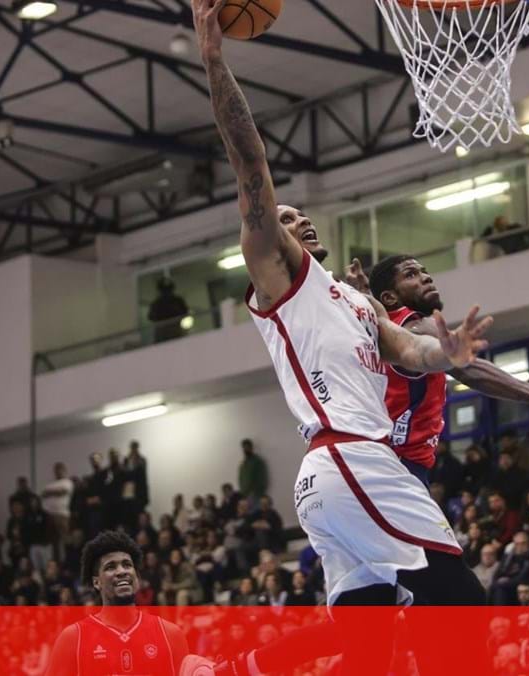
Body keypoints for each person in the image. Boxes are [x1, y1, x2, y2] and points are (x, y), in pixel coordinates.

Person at [192, 3, 492, 673]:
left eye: (297, 216)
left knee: (365, 645)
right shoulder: (283, 287)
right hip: (351, 460)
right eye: (280, 217)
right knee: (461, 604)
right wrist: (215, 62)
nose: (288, 221)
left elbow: (412, 353)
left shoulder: (353, 301)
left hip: (339, 476)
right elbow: (250, 164)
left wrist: (452, 352)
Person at [358, 254, 529, 486]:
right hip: (397, 468)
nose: (426, 278)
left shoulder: (381, 331)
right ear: (389, 297)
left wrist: (363, 297)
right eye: (411, 275)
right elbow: (466, 368)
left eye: (424, 271)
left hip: (376, 462)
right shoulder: (415, 324)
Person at [44, 532, 190, 675]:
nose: (121, 571)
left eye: (127, 565)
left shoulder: (171, 634)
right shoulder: (73, 638)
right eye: (110, 567)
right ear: (96, 582)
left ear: (137, 578)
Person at [41, 462, 74, 565]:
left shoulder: (67, 482)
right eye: (56, 470)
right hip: (50, 515)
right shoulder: (52, 484)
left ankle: (70, 562)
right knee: (53, 542)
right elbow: (42, 494)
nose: (58, 472)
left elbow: (63, 491)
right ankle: (56, 564)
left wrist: (49, 492)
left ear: (64, 470)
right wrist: (50, 492)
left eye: (60, 469)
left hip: (62, 515)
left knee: (66, 540)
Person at [147, 277, 190, 343]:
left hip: (176, 330)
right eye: (164, 290)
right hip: (162, 332)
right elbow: (151, 317)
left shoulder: (178, 300)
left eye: (168, 290)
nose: (166, 292)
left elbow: (185, 312)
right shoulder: (156, 303)